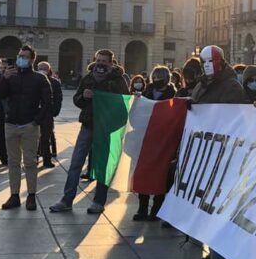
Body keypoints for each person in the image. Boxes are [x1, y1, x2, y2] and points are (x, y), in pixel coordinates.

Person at [187, 46, 247, 259]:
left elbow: (231, 117)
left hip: (222, 155)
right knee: (206, 208)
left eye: (210, 62)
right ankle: (212, 256)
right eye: (203, 63)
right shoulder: (203, 83)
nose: (206, 67)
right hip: (204, 151)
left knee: (218, 209)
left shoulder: (231, 86)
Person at [50, 49, 128, 214]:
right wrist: (83, 97)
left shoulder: (118, 80)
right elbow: (77, 100)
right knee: (76, 163)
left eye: (104, 61)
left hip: (106, 129)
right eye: (98, 60)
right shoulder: (88, 78)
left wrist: (105, 99)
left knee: (102, 166)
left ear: (111, 63)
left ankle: (98, 202)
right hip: (88, 125)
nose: (100, 63)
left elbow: (124, 104)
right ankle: (66, 200)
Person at [0, 45, 51, 211]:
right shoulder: (10, 76)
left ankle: (31, 196)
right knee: (13, 162)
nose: (21, 59)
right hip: (11, 124)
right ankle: (14, 196)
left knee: (30, 162)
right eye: (20, 55)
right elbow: (0, 95)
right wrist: (4, 78)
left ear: (32, 60)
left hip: (29, 126)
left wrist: (36, 122)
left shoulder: (40, 79)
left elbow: (48, 103)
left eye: (25, 56)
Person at [135, 65, 176, 221]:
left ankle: (156, 209)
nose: (158, 80)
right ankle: (142, 209)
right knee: (144, 174)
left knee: (161, 175)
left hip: (164, 140)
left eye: (161, 77)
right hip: (146, 139)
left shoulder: (173, 95)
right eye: (156, 77)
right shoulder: (145, 93)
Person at [36, 61, 62, 168]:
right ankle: (34, 158)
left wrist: (54, 111)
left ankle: (47, 159)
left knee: (45, 137)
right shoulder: (34, 81)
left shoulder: (55, 82)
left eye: (45, 68)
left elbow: (58, 99)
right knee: (34, 138)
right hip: (35, 112)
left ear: (49, 70)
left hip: (47, 114)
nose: (43, 70)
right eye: (40, 68)